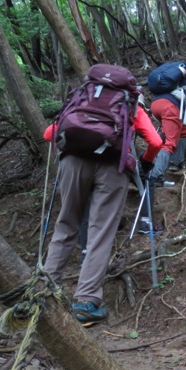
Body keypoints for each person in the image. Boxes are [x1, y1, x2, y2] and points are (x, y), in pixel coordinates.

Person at [43, 91, 163, 324]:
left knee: (66, 224)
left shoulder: (82, 103)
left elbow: (49, 134)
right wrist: (146, 161)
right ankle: (85, 302)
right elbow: (156, 142)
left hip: (72, 163)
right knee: (101, 232)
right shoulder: (130, 105)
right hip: (113, 166)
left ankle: (43, 292)